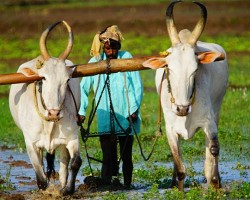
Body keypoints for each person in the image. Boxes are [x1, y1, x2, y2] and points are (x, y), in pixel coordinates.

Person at [78, 25, 143, 189]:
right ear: (103, 47)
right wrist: (81, 111)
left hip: (127, 116)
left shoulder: (126, 58)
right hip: (105, 118)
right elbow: (83, 88)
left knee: (126, 156)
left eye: (113, 47)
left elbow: (137, 86)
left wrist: (134, 110)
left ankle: (127, 186)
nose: (110, 51)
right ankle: (107, 186)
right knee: (107, 156)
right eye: (107, 48)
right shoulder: (94, 62)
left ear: (118, 46)